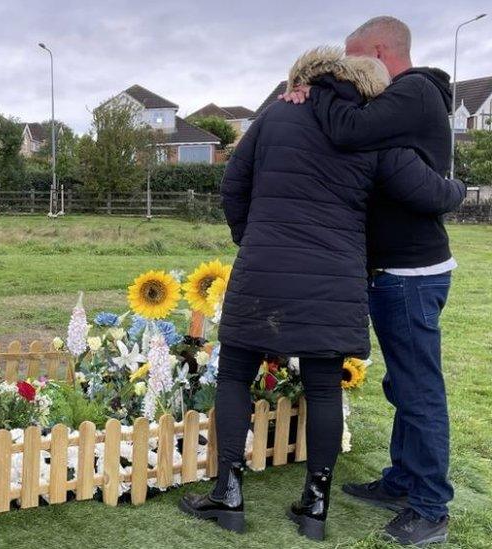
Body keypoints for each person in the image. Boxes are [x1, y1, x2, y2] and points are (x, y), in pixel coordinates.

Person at [178, 47, 465, 542]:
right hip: (333, 276)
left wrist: (252, 237)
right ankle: (315, 504)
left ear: (301, 79)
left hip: (264, 267)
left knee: (235, 376)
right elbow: (418, 191)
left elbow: (233, 183)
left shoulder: (275, 117)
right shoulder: (370, 132)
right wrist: (457, 188)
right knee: (323, 386)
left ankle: (228, 493)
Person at [281, 16, 458, 546]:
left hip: (409, 272)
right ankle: (403, 480)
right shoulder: (396, 105)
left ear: (379, 52)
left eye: (356, 61)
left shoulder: (414, 92)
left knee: (418, 389)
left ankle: (430, 507)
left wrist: (322, 85)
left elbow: (346, 129)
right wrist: (301, 92)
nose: (352, 73)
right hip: (395, 270)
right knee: (402, 383)